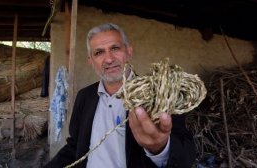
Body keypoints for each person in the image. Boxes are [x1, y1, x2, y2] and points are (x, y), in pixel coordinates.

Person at [44, 23, 195, 168]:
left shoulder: (160, 96)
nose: (109, 59)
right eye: (99, 52)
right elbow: (75, 146)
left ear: (129, 51)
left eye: (115, 48)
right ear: (91, 61)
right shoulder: (84, 96)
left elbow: (186, 157)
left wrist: (160, 148)